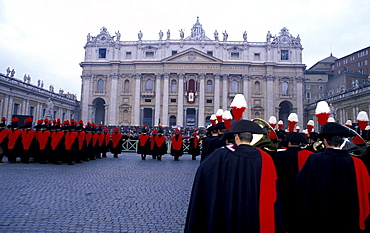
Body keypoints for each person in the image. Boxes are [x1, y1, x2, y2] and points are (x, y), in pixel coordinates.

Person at [185, 120, 284, 233]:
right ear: (252, 138)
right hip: (255, 212)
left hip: (227, 209)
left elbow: (204, 173)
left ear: (236, 136)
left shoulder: (221, 154)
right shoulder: (266, 158)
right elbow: (272, 191)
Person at [292, 122, 370, 233]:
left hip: (319, 219)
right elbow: (365, 192)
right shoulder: (357, 163)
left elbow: (301, 189)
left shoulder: (314, 159)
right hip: (349, 219)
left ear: (325, 140)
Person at [274, 132, 313, 232]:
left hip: (283, 192)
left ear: (289, 143)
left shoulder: (279, 155)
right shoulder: (309, 155)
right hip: (302, 193)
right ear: (300, 143)